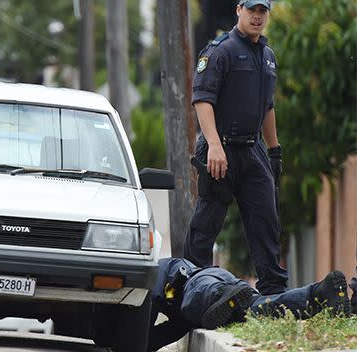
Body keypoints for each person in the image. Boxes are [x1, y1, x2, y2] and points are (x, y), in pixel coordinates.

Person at [184, 0, 288, 295]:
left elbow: (268, 107)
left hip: (253, 150)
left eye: (262, 12)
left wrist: (274, 149)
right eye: (252, 10)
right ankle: (192, 289)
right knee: (206, 224)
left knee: (267, 224)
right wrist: (214, 145)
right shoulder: (221, 50)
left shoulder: (267, 56)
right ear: (239, 9)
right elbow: (202, 99)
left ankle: (274, 298)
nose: (257, 17)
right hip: (221, 148)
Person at [148, 258, 352, 351]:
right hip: (227, 295)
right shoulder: (182, 315)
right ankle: (321, 292)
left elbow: (148, 305)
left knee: (194, 300)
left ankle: (223, 295)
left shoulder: (161, 268)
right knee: (264, 308)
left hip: (199, 280)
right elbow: (161, 336)